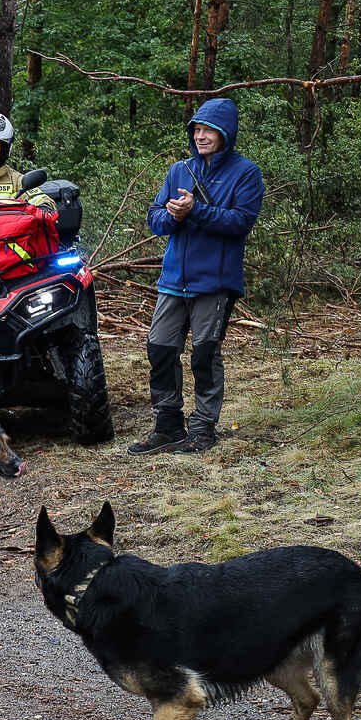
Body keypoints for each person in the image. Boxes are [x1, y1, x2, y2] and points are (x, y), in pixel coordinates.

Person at [129, 98, 264, 455]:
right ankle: (168, 425)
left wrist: (196, 211)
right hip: (174, 279)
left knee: (204, 355)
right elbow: (155, 218)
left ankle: (203, 428)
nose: (202, 136)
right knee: (159, 348)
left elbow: (241, 222)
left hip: (215, 282)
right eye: (197, 130)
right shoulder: (179, 171)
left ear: (226, 134)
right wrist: (172, 216)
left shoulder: (246, 173)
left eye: (209, 130)